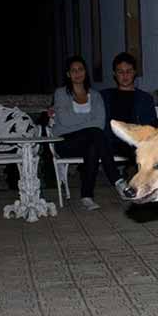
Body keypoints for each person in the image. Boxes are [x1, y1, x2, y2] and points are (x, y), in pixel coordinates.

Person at [52, 55, 128, 211]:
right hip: (65, 142)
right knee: (94, 134)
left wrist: (80, 123)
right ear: (68, 74)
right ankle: (117, 180)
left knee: (93, 145)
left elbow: (100, 123)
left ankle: (87, 197)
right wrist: (87, 122)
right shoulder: (60, 94)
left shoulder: (95, 95)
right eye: (73, 70)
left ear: (85, 72)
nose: (77, 73)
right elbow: (65, 121)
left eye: (80, 69)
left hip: (89, 140)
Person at [101, 52, 158, 164]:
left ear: (134, 72)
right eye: (120, 72)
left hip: (139, 138)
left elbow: (150, 126)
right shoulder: (105, 96)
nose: (125, 76)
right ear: (115, 74)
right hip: (115, 140)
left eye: (128, 71)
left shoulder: (145, 98)